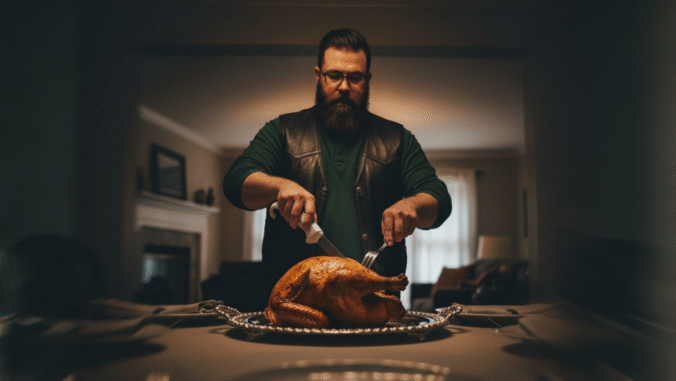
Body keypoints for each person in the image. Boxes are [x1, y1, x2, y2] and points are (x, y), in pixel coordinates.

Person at [223, 29, 451, 292]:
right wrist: (279, 187)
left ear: (368, 79)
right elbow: (235, 181)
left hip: (375, 301)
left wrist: (413, 204)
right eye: (334, 76)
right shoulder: (282, 130)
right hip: (295, 301)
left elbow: (439, 200)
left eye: (355, 78)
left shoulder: (398, 139)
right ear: (319, 76)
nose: (344, 86)